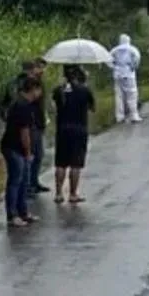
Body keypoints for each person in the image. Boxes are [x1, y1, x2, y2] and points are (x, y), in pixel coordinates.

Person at [0, 76, 43, 227]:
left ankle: (23, 212)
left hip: (16, 147)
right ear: (34, 89)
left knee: (24, 181)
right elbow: (24, 132)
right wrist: (28, 151)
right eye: (39, 90)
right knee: (15, 181)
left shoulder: (23, 104)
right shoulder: (22, 106)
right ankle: (12, 215)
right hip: (14, 147)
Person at [52, 65, 96, 203]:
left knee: (61, 163)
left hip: (62, 129)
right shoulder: (84, 90)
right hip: (79, 129)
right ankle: (73, 193)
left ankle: (58, 193)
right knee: (75, 164)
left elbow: (55, 105)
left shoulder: (59, 90)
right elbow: (93, 108)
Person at [26, 58, 50, 197]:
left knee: (39, 154)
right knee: (32, 154)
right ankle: (28, 185)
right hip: (32, 123)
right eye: (40, 68)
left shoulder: (40, 82)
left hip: (39, 122)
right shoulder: (29, 84)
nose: (42, 71)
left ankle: (34, 181)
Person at [109, 34, 142, 123]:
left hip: (117, 74)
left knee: (119, 96)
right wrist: (133, 67)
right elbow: (137, 59)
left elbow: (108, 60)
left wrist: (114, 67)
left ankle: (119, 116)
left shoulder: (114, 50)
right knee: (132, 95)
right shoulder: (132, 49)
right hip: (128, 74)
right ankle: (134, 115)